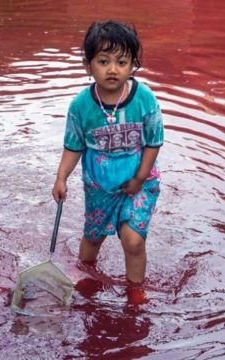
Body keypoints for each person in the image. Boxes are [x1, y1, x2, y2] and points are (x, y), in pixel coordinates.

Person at [52, 20, 164, 304]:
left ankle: (135, 291)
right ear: (88, 66)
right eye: (103, 61)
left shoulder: (144, 98)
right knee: (92, 239)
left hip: (138, 183)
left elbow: (154, 141)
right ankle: (85, 276)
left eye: (122, 61)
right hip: (100, 186)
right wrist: (61, 177)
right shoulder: (81, 105)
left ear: (132, 65)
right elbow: (73, 145)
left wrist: (140, 178)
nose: (113, 69)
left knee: (134, 240)